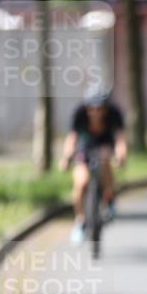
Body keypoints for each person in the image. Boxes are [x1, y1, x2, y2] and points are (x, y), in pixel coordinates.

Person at [59, 86, 127, 244]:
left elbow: (120, 139)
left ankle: (109, 199)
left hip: (105, 145)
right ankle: (80, 221)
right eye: (92, 108)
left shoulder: (114, 114)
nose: (95, 112)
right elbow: (72, 139)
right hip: (86, 146)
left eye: (99, 108)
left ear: (106, 107)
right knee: (81, 183)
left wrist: (121, 155)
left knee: (105, 164)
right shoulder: (79, 114)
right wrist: (66, 157)